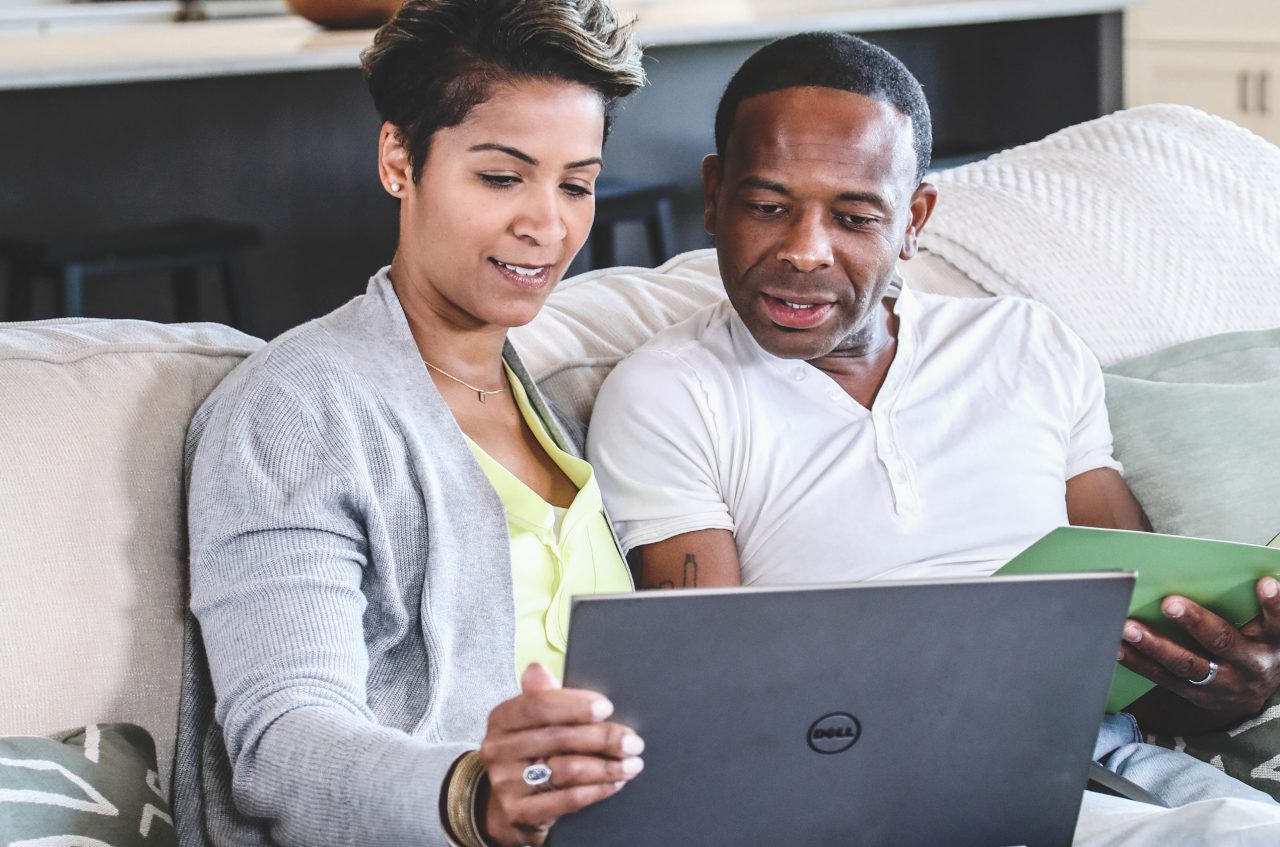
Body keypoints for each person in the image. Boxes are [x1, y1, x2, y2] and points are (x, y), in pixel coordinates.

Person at [585, 31, 1280, 828]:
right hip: (867, 787)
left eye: (854, 216)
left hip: (1104, 757)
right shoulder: (670, 392)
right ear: (714, 195)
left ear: (914, 219)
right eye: (768, 206)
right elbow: (715, 700)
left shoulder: (1027, 345)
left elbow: (1133, 633)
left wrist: (1227, 683)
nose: (805, 252)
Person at [173, 3, 647, 846]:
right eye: (502, 177)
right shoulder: (298, 407)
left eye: (576, 183)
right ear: (400, 159)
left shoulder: (557, 406)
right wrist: (474, 796)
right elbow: (281, 739)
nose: (548, 223)